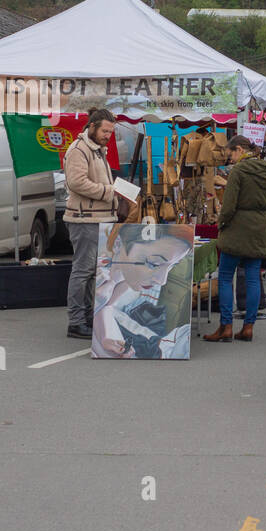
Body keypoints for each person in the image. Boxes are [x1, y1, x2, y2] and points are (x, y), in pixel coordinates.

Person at [203, 135, 266, 343]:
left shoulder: (239, 171)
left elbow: (228, 206)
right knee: (253, 277)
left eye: (230, 154)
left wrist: (221, 223)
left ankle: (226, 326)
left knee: (226, 277)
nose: (230, 159)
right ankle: (248, 327)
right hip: (259, 226)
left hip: (236, 227)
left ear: (238, 149)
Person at [93, 223, 195, 358]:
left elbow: (107, 306)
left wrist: (105, 337)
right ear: (118, 244)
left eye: (171, 267)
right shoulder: (98, 275)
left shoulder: (124, 277)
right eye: (154, 263)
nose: (162, 281)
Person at [63, 108, 121, 339]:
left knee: (93, 272)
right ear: (93, 126)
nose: (108, 135)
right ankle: (76, 321)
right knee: (83, 270)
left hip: (99, 217)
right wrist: (110, 191)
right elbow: (77, 183)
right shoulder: (80, 149)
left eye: (111, 132)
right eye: (105, 130)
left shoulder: (97, 150)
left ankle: (86, 317)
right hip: (85, 219)